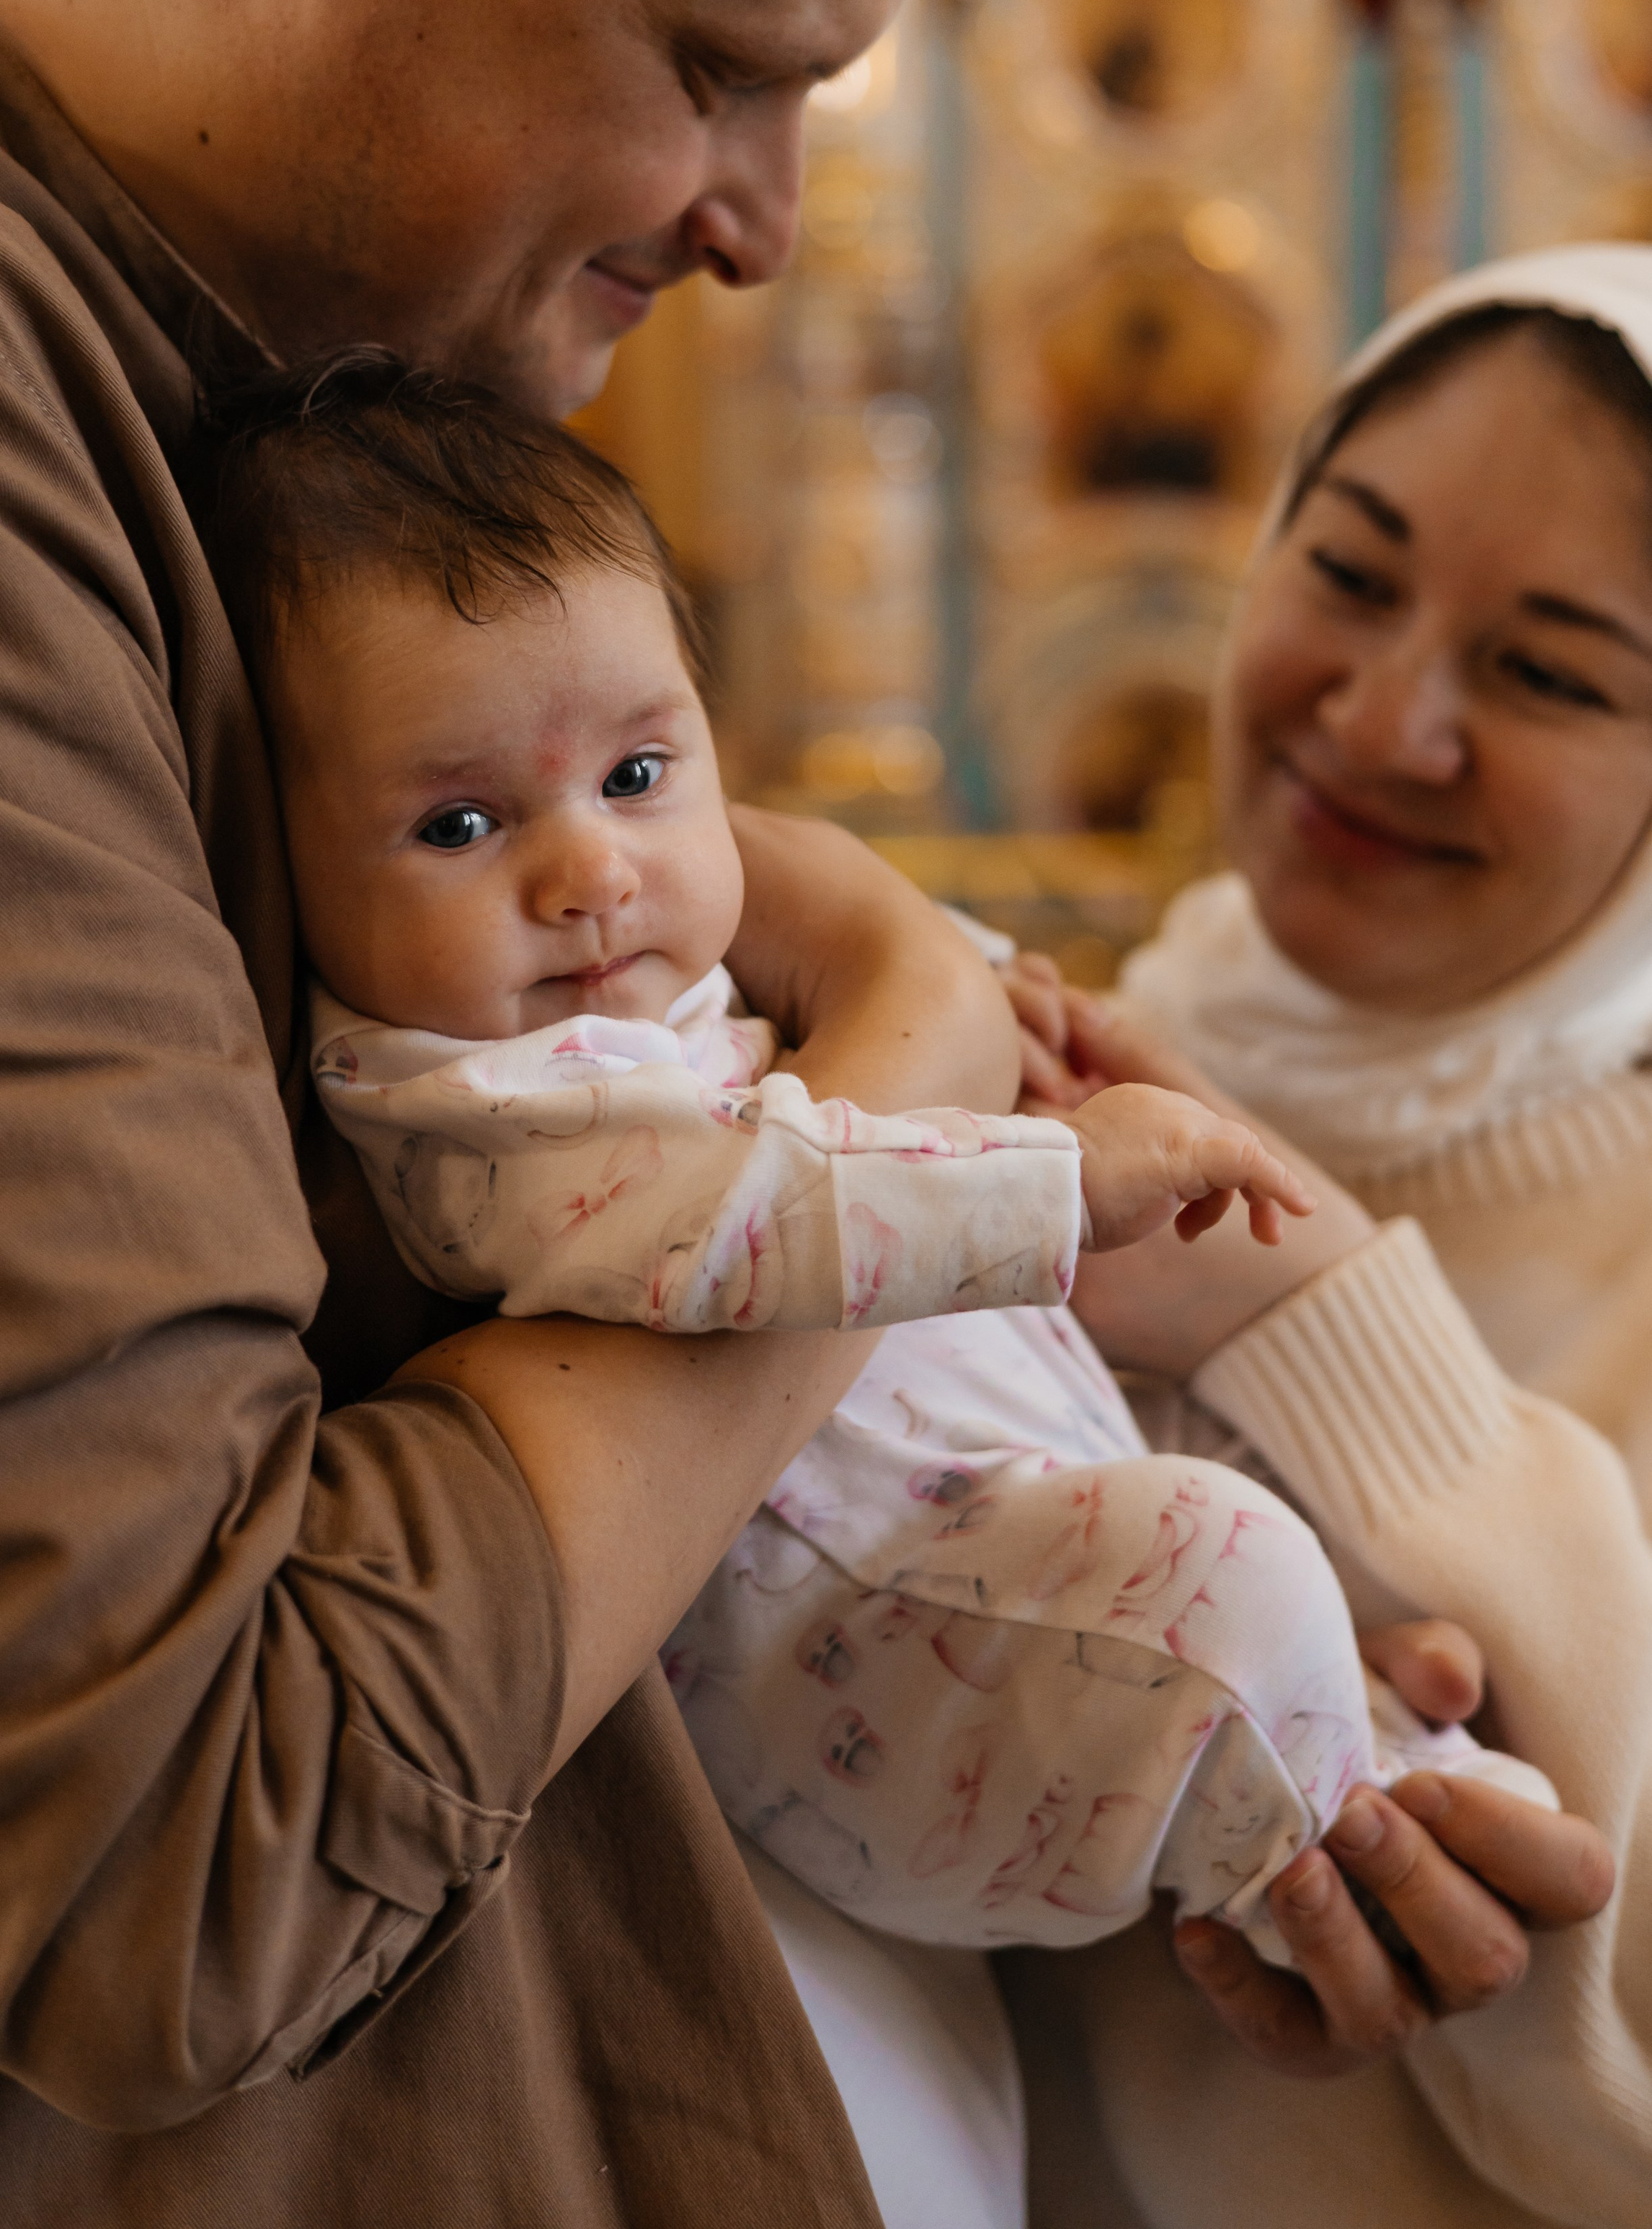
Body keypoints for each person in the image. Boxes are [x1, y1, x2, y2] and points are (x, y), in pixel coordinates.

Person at [0, 0, 1605, 2217]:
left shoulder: (277, 415)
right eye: (724, 65)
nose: (760, 227)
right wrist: (898, 1085)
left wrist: (1071, 1706)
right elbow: (189, 1851)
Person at [203, 346, 1547, 1975]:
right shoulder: (458, 1102)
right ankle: (1342, 1837)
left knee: (1254, 1554)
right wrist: (1057, 1172)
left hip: (998, 1522)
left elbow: (853, 1004)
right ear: (285, 865)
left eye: (637, 777)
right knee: (1240, 1565)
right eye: (459, 826)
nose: (589, 874)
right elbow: (749, 1208)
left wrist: (990, 991)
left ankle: (1372, 1767)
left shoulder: (608, 989)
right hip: (874, 1658)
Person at [1002, 244, 1652, 2228]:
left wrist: (1326, 1334)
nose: (1384, 721)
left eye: (1548, 672)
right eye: (1353, 575)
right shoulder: (1078, 1073)